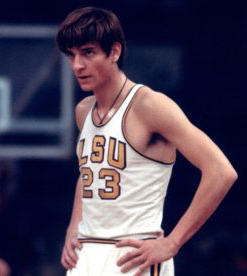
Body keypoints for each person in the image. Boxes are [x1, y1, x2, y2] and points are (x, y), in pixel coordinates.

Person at [56, 6, 238, 276]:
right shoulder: (84, 110)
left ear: (114, 52)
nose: (77, 65)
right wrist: (74, 226)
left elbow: (222, 172)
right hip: (88, 253)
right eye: (71, 55)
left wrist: (173, 242)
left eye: (88, 52)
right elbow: (89, 172)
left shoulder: (149, 105)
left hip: (133, 255)